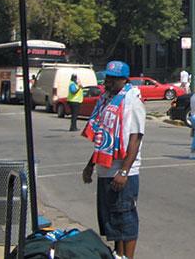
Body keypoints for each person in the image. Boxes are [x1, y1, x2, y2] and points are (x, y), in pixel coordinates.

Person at [81, 60, 146, 259]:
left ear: (124, 80)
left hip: (122, 171)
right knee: (112, 219)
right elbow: (103, 138)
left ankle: (128, 257)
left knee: (125, 217)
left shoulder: (132, 101)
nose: (108, 82)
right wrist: (90, 165)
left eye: (113, 79)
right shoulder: (107, 101)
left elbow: (136, 138)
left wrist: (124, 171)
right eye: (107, 77)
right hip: (105, 169)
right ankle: (118, 255)